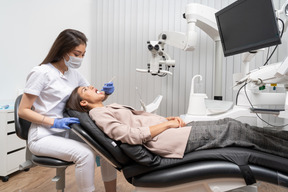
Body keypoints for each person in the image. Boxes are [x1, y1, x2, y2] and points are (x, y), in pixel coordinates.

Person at [66, 85, 288, 159]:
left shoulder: (106, 108)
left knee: (232, 123)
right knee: (235, 130)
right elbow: (129, 135)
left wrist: (166, 119)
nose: (94, 86)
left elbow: (137, 122)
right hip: (168, 140)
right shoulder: (99, 115)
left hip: (171, 132)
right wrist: (167, 125)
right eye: (87, 89)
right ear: (84, 103)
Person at [18, 29, 117, 192]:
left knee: (106, 147)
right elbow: (23, 111)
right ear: (62, 49)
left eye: (83, 55)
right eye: (76, 53)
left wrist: (104, 94)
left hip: (67, 131)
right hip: (43, 135)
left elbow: (87, 100)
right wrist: (53, 121)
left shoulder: (74, 74)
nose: (80, 59)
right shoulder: (41, 73)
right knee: (85, 154)